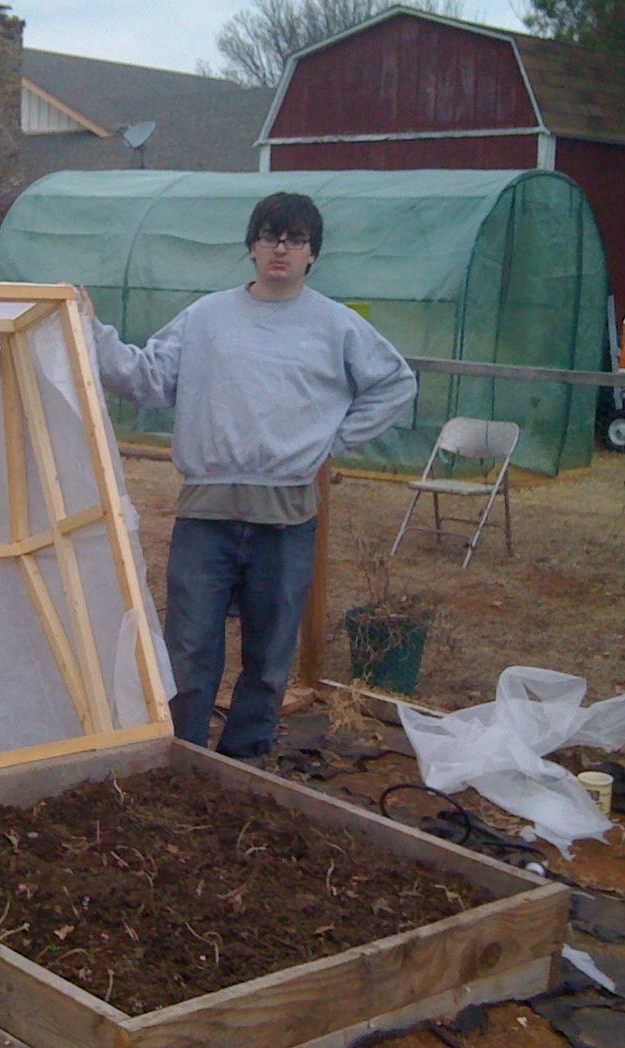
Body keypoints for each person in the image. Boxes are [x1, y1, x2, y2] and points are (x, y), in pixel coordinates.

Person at [81, 191, 417, 759]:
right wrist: (91, 331)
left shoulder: (335, 326)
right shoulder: (207, 317)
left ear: (313, 254)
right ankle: (182, 759)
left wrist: (333, 440)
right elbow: (148, 380)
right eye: (268, 236)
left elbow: (396, 383)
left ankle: (247, 762)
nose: (279, 249)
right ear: (252, 247)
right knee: (189, 650)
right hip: (205, 517)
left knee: (269, 657)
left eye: (294, 239)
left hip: (285, 521)